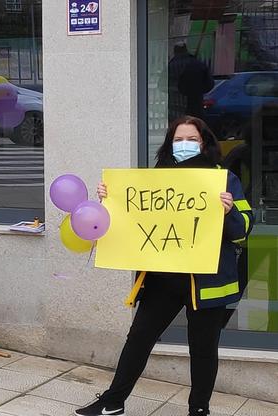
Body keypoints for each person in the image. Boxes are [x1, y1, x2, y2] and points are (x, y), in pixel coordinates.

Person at [75, 116, 254, 416]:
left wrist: (230, 210)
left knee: (203, 350)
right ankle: (113, 401)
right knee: (138, 339)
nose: (184, 145)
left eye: (191, 139)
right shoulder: (157, 177)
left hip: (207, 283)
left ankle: (199, 409)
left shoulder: (224, 180)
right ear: (170, 144)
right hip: (163, 280)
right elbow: (131, 221)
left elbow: (244, 229)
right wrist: (111, 200)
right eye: (178, 139)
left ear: (205, 143)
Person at [168, 42, 214, 122]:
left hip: (175, 108)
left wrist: (174, 91)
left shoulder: (171, 66)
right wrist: (197, 90)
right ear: (186, 50)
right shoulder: (197, 64)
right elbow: (209, 84)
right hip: (195, 106)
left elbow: (161, 85)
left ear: (175, 51)